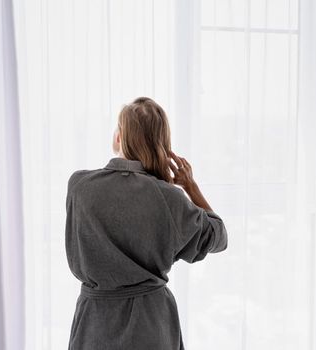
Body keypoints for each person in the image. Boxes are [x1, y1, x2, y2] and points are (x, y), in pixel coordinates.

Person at [65, 96, 228, 349]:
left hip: (93, 324)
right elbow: (218, 237)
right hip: (151, 326)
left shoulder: (79, 187)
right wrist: (191, 188)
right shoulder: (169, 197)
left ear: (119, 137)